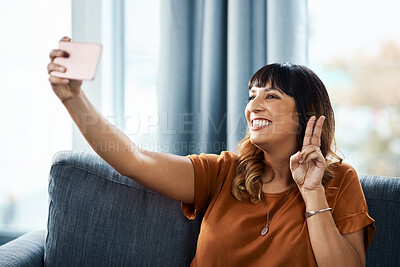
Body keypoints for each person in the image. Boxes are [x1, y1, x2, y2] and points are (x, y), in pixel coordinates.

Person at [47, 37, 375, 266]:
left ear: (305, 115)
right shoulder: (223, 172)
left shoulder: (339, 181)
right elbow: (136, 160)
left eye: (271, 96)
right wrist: (72, 98)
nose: (253, 106)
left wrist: (312, 192)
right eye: (252, 96)